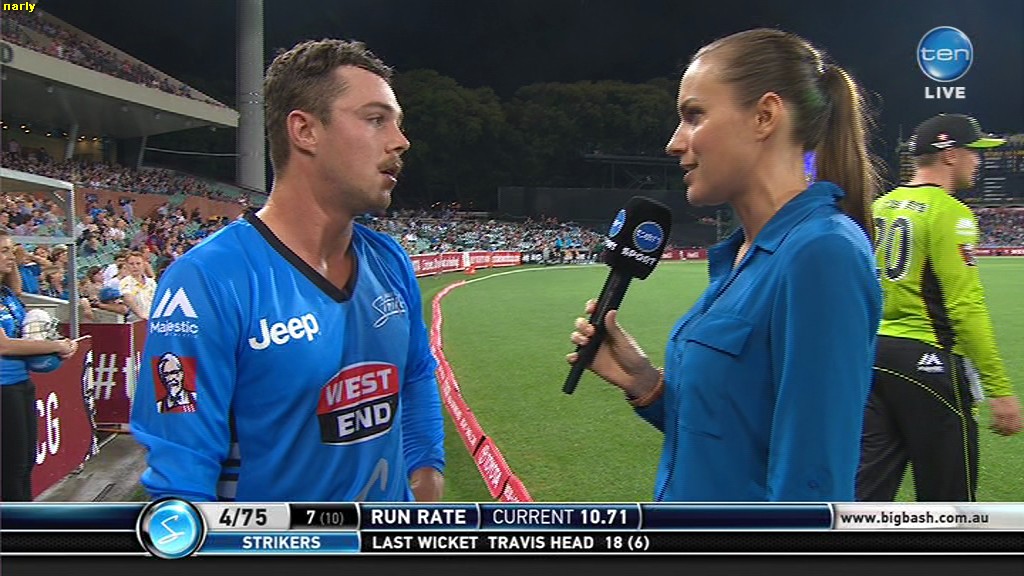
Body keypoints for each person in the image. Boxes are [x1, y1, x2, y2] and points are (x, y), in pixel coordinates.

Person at [567, 28, 881, 501]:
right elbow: (733, 443)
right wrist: (647, 383)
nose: (674, 143)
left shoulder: (823, 253)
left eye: (694, 115)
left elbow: (812, 487)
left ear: (764, 116)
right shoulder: (741, 255)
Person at [130, 39, 445, 502]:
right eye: (376, 119)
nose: (400, 141)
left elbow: (415, 374)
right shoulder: (207, 281)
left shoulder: (389, 260)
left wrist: (426, 473)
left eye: (397, 123)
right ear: (305, 130)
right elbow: (180, 477)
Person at [856, 114, 1023, 502]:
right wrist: (999, 390)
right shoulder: (950, 213)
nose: (978, 161)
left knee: (866, 495)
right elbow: (965, 307)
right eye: (973, 151)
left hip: (875, 357)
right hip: (929, 359)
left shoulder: (880, 206)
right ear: (950, 154)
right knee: (949, 502)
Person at [0, 230, 78, 501]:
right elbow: (4, 346)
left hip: (19, 382)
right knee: (11, 468)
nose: (11, 256)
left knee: (24, 464)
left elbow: (17, 287)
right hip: (3, 388)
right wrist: (56, 345)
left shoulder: (6, 293)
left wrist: (13, 257)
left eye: (12, 250)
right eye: (4, 251)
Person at [119, 251, 157, 321]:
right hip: (136, 322)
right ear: (126, 265)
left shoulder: (151, 282)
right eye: (131, 264)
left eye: (138, 263)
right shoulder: (125, 282)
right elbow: (128, 298)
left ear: (144, 265)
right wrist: (142, 315)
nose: (135, 266)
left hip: (153, 320)